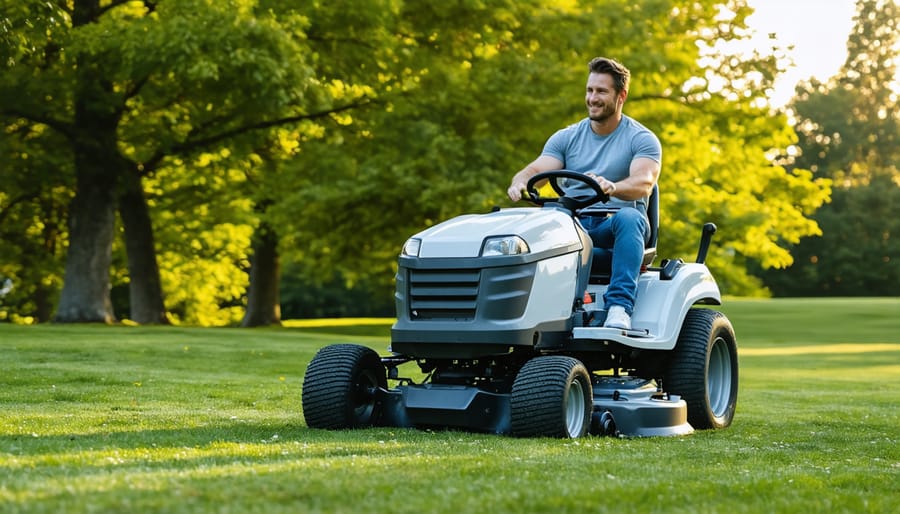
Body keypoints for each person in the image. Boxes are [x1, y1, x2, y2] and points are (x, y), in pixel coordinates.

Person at [506, 57, 661, 330]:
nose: (593, 98)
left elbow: (643, 182)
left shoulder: (641, 138)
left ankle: (619, 308)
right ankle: (518, 313)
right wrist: (520, 182)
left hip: (612, 228)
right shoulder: (566, 137)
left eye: (601, 91)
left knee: (630, 218)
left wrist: (613, 187)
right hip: (573, 227)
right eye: (590, 91)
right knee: (528, 227)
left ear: (620, 96)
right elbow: (535, 169)